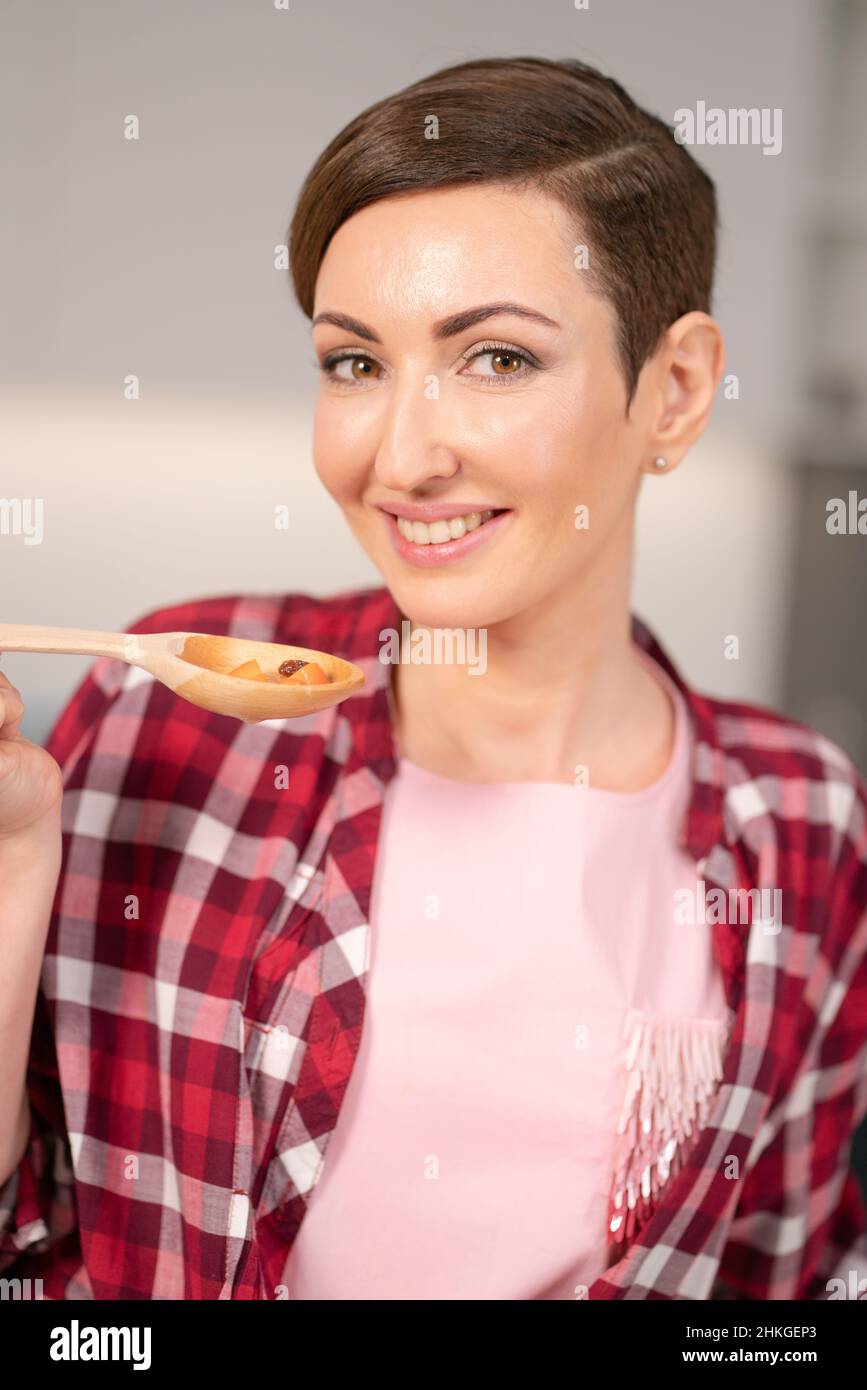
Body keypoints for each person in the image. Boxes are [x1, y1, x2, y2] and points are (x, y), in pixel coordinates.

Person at [1, 55, 865, 1301]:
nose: (403, 454)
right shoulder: (174, 706)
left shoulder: (802, 823)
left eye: (497, 360)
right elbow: (27, 1234)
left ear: (673, 389)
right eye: (355, 363)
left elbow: (788, 1292)